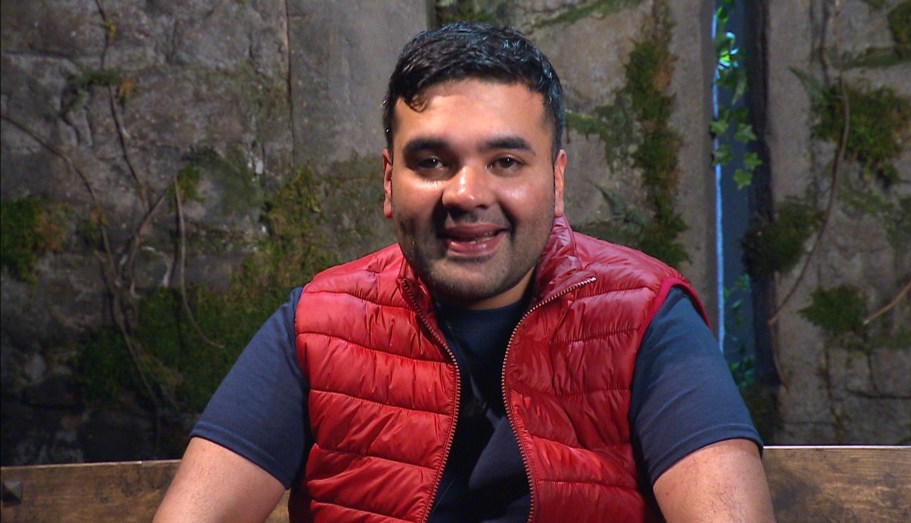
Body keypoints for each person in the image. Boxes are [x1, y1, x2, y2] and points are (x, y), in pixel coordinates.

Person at [155, 22, 774, 523]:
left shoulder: (643, 314)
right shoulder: (318, 324)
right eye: (431, 161)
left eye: (505, 160)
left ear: (556, 182)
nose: (466, 193)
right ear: (388, 182)